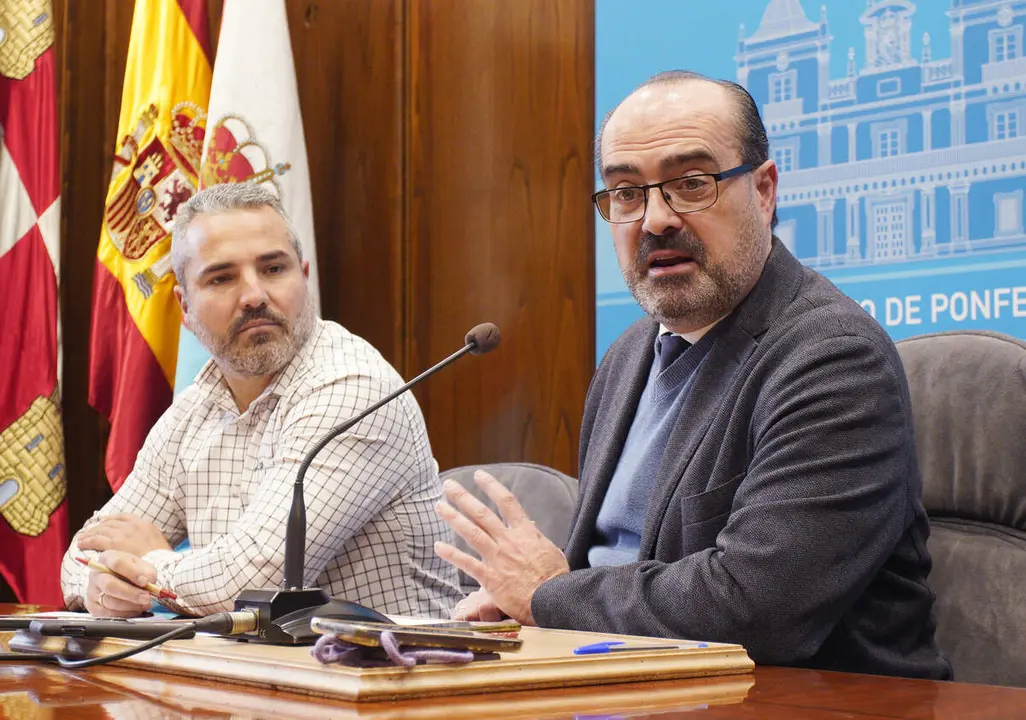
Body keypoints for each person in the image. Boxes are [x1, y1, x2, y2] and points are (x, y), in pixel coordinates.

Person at [433, 70, 952, 679]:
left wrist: (548, 596)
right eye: (625, 192)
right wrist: (523, 609)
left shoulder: (832, 359)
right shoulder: (629, 356)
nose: (654, 219)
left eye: (690, 183)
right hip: (624, 688)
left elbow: (757, 605)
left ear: (764, 191)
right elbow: (609, 572)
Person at [61, 183, 462, 619]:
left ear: (304, 278)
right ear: (185, 309)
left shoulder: (352, 385)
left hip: (392, 675)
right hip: (255, 675)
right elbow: (79, 557)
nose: (254, 295)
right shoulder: (196, 409)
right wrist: (101, 585)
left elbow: (256, 580)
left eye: (273, 269)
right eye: (222, 277)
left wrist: (151, 568)